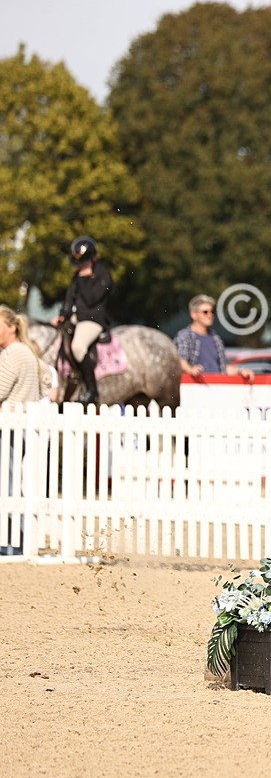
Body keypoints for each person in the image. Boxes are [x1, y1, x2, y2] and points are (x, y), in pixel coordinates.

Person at [0, 306, 51, 556]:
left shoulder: (13, 353)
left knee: (7, 485)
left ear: (12, 327)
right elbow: (47, 383)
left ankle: (13, 543)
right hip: (20, 425)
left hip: (9, 426)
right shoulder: (27, 353)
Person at [52, 236, 112, 404]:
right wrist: (62, 315)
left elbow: (92, 299)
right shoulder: (77, 276)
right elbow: (69, 299)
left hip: (94, 319)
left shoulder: (103, 275)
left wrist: (85, 278)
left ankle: (92, 391)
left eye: (84, 262)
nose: (81, 266)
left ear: (92, 258)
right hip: (76, 318)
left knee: (78, 347)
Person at [174, 295, 253, 380]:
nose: (210, 315)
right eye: (205, 312)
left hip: (217, 388)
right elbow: (180, 361)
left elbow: (223, 368)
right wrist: (191, 370)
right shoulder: (184, 336)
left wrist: (240, 371)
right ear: (193, 314)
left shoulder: (216, 338)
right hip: (194, 389)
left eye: (212, 311)